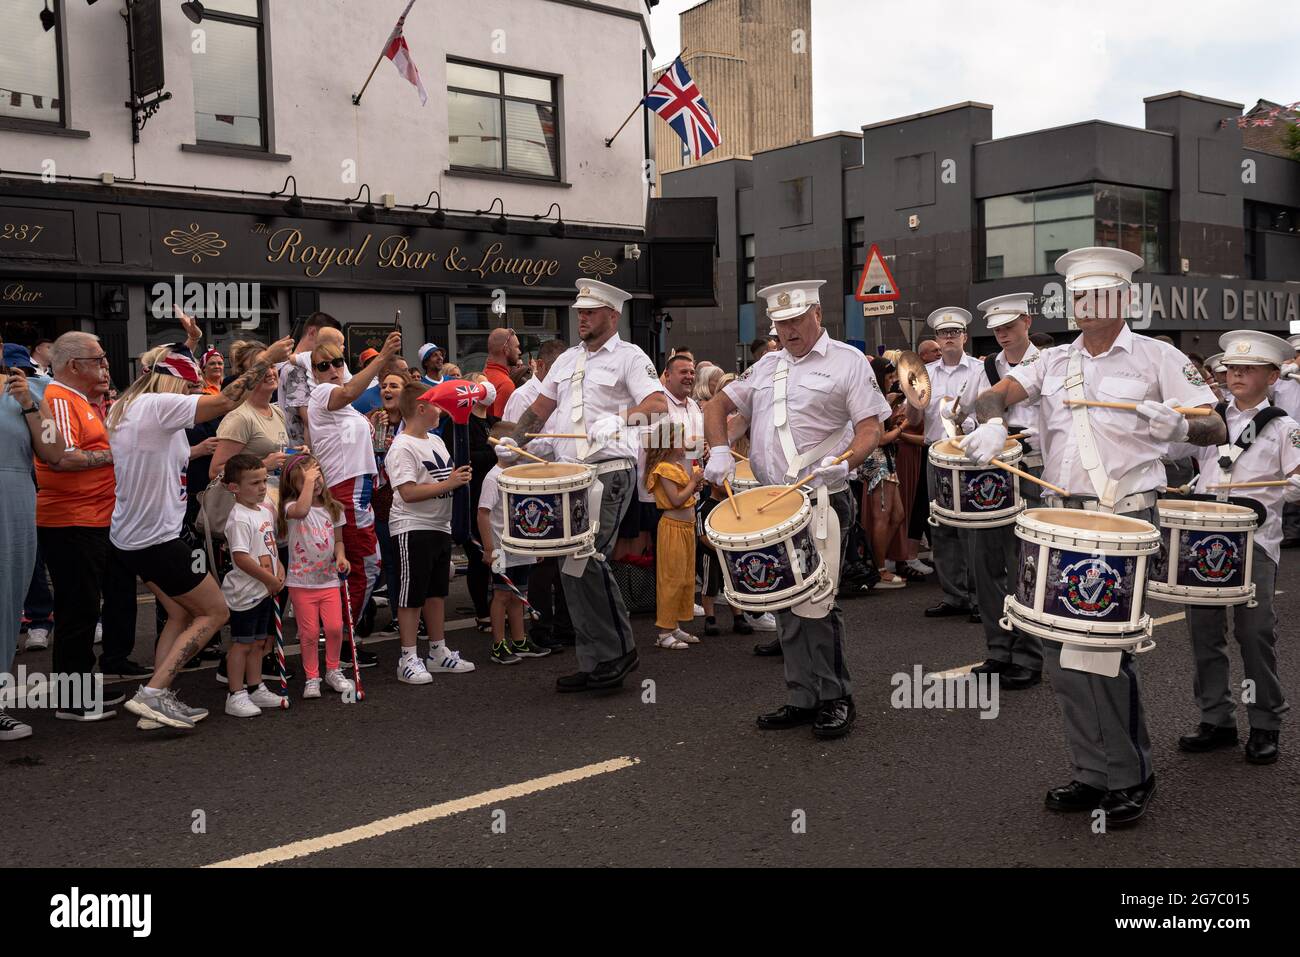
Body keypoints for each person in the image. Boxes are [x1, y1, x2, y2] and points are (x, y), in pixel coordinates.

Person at [962, 246, 1224, 826]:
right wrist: (989, 421)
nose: (1083, 306)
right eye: (1077, 295)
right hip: (1062, 517)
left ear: (1125, 299)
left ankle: (1129, 775)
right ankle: (1092, 770)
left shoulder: (1159, 357)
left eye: (1096, 295)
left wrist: (1182, 423)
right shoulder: (1052, 363)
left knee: (1102, 652)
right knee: (1060, 652)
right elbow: (997, 393)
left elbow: (1215, 424)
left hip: (1125, 515)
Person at [703, 279, 889, 739]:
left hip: (822, 496)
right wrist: (718, 449)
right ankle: (802, 695)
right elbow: (718, 404)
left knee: (818, 600)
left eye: (795, 320)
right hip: (772, 499)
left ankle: (834, 696)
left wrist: (845, 461)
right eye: (780, 323)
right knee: (784, 598)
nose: (788, 330)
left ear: (817, 315)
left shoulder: (847, 362)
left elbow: (869, 429)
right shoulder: (767, 367)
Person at [111, 336, 295, 730]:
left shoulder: (128, 407)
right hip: (157, 538)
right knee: (215, 611)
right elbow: (228, 399)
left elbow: (153, 456)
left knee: (179, 613)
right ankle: (154, 694)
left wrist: (195, 452)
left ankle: (158, 700)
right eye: (190, 386)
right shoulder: (158, 404)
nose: (194, 394)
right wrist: (266, 362)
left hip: (132, 536)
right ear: (171, 383)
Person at [495, 279, 669, 692]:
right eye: (579, 312)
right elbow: (540, 409)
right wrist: (514, 441)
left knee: (587, 555)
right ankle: (597, 659)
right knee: (570, 565)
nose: (582, 318)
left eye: (590, 312)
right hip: (568, 473)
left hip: (608, 469)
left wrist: (622, 417)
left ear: (613, 314)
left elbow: (658, 406)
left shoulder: (630, 356)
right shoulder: (567, 359)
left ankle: (620, 650)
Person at [1167, 330, 1296, 765]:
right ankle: (1216, 718)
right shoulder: (1210, 418)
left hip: (1254, 541)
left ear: (1273, 375)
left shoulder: (1284, 427)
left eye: (1248, 368)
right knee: (1203, 632)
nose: (1235, 373)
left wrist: (1294, 484)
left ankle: (1265, 722)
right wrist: (1164, 423)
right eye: (1231, 368)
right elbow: (1171, 449)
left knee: (1254, 633)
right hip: (1202, 537)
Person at [36, 333, 147, 705]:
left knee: (86, 607)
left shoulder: (78, 400)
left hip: (92, 517)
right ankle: (73, 699)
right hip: (72, 520)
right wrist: (116, 456)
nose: (106, 365)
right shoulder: (59, 400)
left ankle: (82, 689)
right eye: (99, 359)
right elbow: (63, 458)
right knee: (78, 610)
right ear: (73, 366)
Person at [306, 331, 402, 668]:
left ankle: (343, 640)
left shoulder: (343, 398)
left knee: (360, 567)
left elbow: (351, 389)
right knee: (365, 566)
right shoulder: (320, 393)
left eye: (337, 361)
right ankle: (342, 641)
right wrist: (381, 356)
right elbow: (347, 390)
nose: (332, 368)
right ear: (314, 373)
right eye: (323, 365)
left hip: (359, 486)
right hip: (347, 489)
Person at [965, 294, 1044, 689]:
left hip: (1032, 470)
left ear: (1026, 322)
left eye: (1009, 327)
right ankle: (998, 648)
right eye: (997, 330)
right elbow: (970, 414)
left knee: (1025, 567)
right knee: (987, 564)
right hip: (993, 474)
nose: (1003, 335)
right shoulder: (987, 368)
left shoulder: (1047, 363)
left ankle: (1030, 654)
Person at [387, 382, 476, 679]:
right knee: (411, 595)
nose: (441, 411)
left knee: (437, 592)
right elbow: (408, 493)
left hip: (440, 525)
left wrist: (458, 480)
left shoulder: (436, 441)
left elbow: (445, 479)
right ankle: (408, 658)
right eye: (437, 405)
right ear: (421, 408)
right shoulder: (402, 446)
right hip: (412, 527)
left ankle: (438, 651)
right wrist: (450, 483)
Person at [4, 339, 65, 740]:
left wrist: (28, 402)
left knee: (7, 599)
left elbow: (55, 450)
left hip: (12, 499)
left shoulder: (28, 387)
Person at [905, 310, 984, 621]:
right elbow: (912, 422)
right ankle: (955, 596)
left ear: (964, 336)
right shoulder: (924, 374)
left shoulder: (979, 370)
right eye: (943, 333)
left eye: (955, 331)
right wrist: (912, 398)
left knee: (974, 531)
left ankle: (981, 597)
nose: (949, 337)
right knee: (941, 529)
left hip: (971, 457)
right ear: (937, 339)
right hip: (936, 456)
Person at [502, 338, 572, 650]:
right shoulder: (522, 397)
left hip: (562, 482)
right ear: (540, 366)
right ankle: (541, 627)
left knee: (568, 557)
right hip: (534, 485)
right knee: (542, 563)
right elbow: (514, 446)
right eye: (556, 370)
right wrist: (555, 444)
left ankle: (566, 625)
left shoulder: (565, 395)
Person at [219, 454, 292, 718]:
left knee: (260, 642)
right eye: (254, 483)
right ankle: (235, 694)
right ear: (234, 488)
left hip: (263, 590)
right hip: (245, 594)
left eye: (263, 481)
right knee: (242, 644)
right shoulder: (239, 518)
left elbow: (270, 547)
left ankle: (255, 685)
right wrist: (269, 579)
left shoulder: (264, 510)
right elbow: (241, 557)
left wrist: (279, 568)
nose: (262, 487)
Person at [277, 454, 355, 699]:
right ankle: (312, 677)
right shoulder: (292, 507)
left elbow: (339, 542)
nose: (315, 483)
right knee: (309, 633)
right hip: (302, 583)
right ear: (294, 486)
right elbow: (302, 510)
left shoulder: (334, 509)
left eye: (318, 476)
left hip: (329, 580)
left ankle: (333, 670)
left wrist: (341, 558)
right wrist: (309, 481)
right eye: (306, 481)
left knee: (334, 628)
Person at [477, 421, 549, 664]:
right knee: (501, 595)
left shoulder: (518, 474)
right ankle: (499, 645)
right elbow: (483, 513)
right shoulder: (493, 477)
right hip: (501, 547)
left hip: (522, 546)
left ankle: (519, 640)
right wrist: (489, 548)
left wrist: (535, 544)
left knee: (519, 595)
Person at [645, 418, 705, 649]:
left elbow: (687, 494)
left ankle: (675, 626)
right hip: (672, 529)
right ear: (669, 443)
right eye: (681, 438)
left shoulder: (679, 467)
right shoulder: (663, 469)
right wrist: (694, 482)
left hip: (686, 529)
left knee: (684, 578)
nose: (686, 442)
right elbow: (677, 500)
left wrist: (694, 485)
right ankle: (663, 632)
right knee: (670, 579)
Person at [860, 357, 907, 589]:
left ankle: (874, 562)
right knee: (882, 516)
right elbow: (879, 439)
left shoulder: (877, 396)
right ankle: (878, 569)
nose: (893, 381)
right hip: (878, 462)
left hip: (887, 462)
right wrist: (901, 427)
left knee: (897, 515)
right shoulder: (873, 397)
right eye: (889, 377)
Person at [209, 362, 290, 486]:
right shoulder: (240, 417)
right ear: (246, 377)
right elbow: (215, 472)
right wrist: (263, 465)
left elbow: (273, 452)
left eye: (272, 366)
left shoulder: (277, 411)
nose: (270, 372)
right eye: (262, 369)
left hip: (271, 497)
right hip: (245, 501)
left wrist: (294, 454)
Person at [280, 312, 343, 448]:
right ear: (312, 332)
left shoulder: (312, 365)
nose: (331, 347)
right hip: (305, 452)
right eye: (328, 340)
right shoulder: (295, 368)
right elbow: (310, 419)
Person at [484, 328, 521, 417]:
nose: (519, 352)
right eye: (517, 347)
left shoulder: (480, 376)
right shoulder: (505, 384)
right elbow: (501, 426)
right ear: (506, 349)